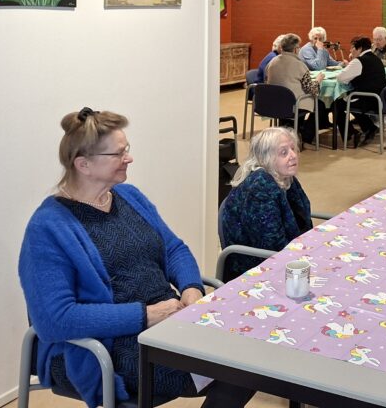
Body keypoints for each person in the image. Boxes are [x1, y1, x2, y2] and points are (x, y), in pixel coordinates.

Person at [19, 109, 253, 408]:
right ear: (83, 164)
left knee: (254, 345)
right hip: (107, 342)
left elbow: (174, 249)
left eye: (126, 149)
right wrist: (147, 315)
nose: (128, 158)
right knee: (234, 365)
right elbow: (56, 320)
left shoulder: (129, 196)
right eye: (118, 153)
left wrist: (192, 289)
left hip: (167, 318)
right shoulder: (48, 227)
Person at [218, 127, 313, 281]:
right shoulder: (260, 187)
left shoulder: (285, 177)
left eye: (293, 148)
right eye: (284, 152)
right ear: (266, 158)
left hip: (289, 257)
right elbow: (272, 246)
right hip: (255, 271)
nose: (293, 155)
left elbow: (304, 221)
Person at [266, 33, 326, 144]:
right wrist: (318, 80)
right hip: (293, 104)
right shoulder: (299, 65)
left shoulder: (272, 62)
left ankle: (294, 129)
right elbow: (312, 89)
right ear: (295, 49)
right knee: (320, 105)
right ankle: (306, 135)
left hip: (274, 103)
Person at [332, 35, 386, 148]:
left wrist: (351, 64)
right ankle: (369, 127)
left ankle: (352, 135)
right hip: (378, 98)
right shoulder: (376, 58)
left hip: (367, 99)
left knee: (337, 104)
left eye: (352, 48)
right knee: (348, 99)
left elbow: (341, 78)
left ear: (360, 48)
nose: (350, 50)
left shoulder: (359, 61)